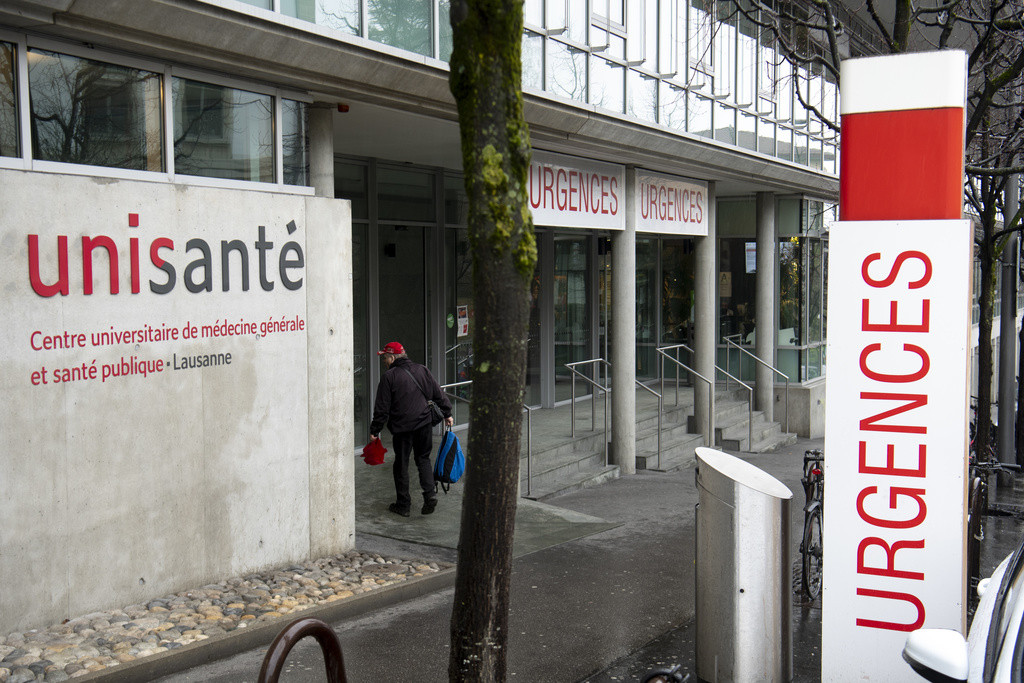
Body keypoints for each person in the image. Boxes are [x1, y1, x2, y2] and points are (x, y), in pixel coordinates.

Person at [369, 342, 454, 517]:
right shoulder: (422, 370)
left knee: (401, 463)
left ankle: (403, 505)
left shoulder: (389, 377)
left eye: (385, 358)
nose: (384, 361)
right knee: (423, 459)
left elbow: (382, 408)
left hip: (402, 428)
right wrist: (448, 413)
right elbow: (438, 393)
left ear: (392, 358)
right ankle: (429, 495)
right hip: (424, 423)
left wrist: (375, 430)